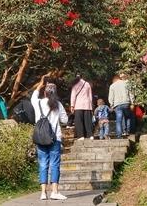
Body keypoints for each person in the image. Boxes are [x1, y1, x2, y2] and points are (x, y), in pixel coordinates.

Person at [31, 73, 68, 201]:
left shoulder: (38, 103)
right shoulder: (58, 105)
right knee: (54, 164)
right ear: (55, 93)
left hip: (40, 138)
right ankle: (55, 192)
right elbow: (65, 120)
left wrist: (41, 82)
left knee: (42, 164)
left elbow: (34, 94)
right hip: (54, 139)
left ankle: (43, 193)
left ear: (45, 92)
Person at [108, 73, 134, 137]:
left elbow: (110, 97)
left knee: (119, 120)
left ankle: (119, 135)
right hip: (126, 103)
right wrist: (132, 102)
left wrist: (111, 105)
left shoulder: (112, 86)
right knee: (127, 117)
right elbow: (131, 93)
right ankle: (127, 131)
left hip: (117, 105)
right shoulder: (126, 83)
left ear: (114, 80)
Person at [69, 74, 93, 140]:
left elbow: (73, 96)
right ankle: (90, 135)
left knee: (79, 121)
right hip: (87, 105)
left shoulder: (75, 84)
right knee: (88, 121)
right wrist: (91, 105)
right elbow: (90, 96)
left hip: (78, 105)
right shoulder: (87, 84)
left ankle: (81, 136)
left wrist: (72, 105)